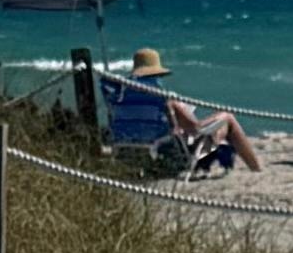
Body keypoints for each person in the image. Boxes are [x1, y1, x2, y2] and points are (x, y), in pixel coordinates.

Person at [109, 43, 260, 173]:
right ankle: (256, 169)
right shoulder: (163, 99)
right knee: (227, 118)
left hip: (133, 156)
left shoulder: (119, 98)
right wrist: (183, 114)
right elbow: (195, 129)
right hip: (168, 158)